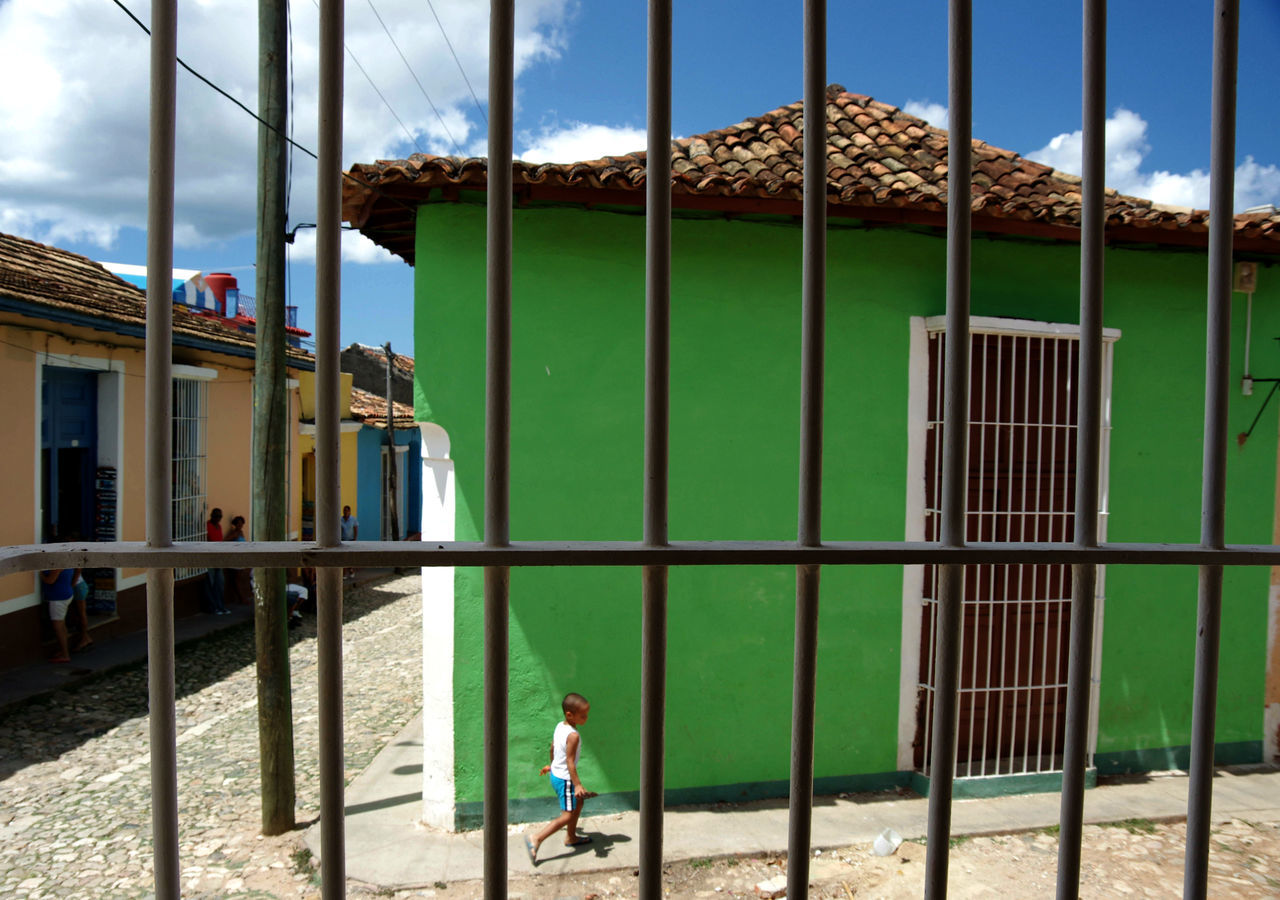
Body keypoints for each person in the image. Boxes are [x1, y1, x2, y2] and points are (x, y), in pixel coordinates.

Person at [525, 692, 595, 864]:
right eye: (583, 715)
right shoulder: (573, 735)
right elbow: (570, 762)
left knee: (579, 802)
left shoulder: (560, 726)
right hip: (565, 779)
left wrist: (552, 766)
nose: (586, 718)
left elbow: (553, 747)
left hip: (557, 774)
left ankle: (571, 837)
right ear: (570, 715)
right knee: (567, 815)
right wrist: (577, 785)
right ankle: (536, 839)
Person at [41, 567, 79, 662]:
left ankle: (65, 655)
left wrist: (40, 574)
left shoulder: (58, 566)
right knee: (62, 625)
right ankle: (64, 650)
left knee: (58, 627)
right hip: (66, 594)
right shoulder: (67, 563)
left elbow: (50, 581)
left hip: (58, 598)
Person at [223, 515, 253, 605]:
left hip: (241, 557)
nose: (240, 525)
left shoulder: (241, 532)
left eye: (241, 523)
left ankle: (242, 598)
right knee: (237, 580)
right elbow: (225, 541)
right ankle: (242, 598)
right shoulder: (235, 533)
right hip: (236, 558)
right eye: (238, 523)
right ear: (235, 524)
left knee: (239, 579)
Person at [205, 508, 228, 614]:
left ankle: (221, 606)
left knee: (220, 584)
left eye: (220, 516)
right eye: (216, 516)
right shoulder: (207, 526)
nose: (218, 518)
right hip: (209, 559)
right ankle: (213, 607)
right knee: (211, 584)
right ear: (212, 516)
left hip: (218, 559)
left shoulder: (219, 527)